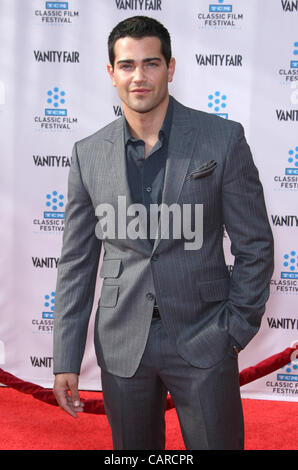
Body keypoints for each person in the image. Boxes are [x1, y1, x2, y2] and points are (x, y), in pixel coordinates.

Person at [53, 16, 274, 450]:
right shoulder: (88, 154)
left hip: (204, 335)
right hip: (121, 342)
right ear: (111, 73)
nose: (139, 76)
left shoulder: (221, 139)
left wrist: (233, 329)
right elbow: (76, 263)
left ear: (170, 68)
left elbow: (255, 245)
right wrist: (66, 358)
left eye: (151, 64)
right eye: (127, 65)